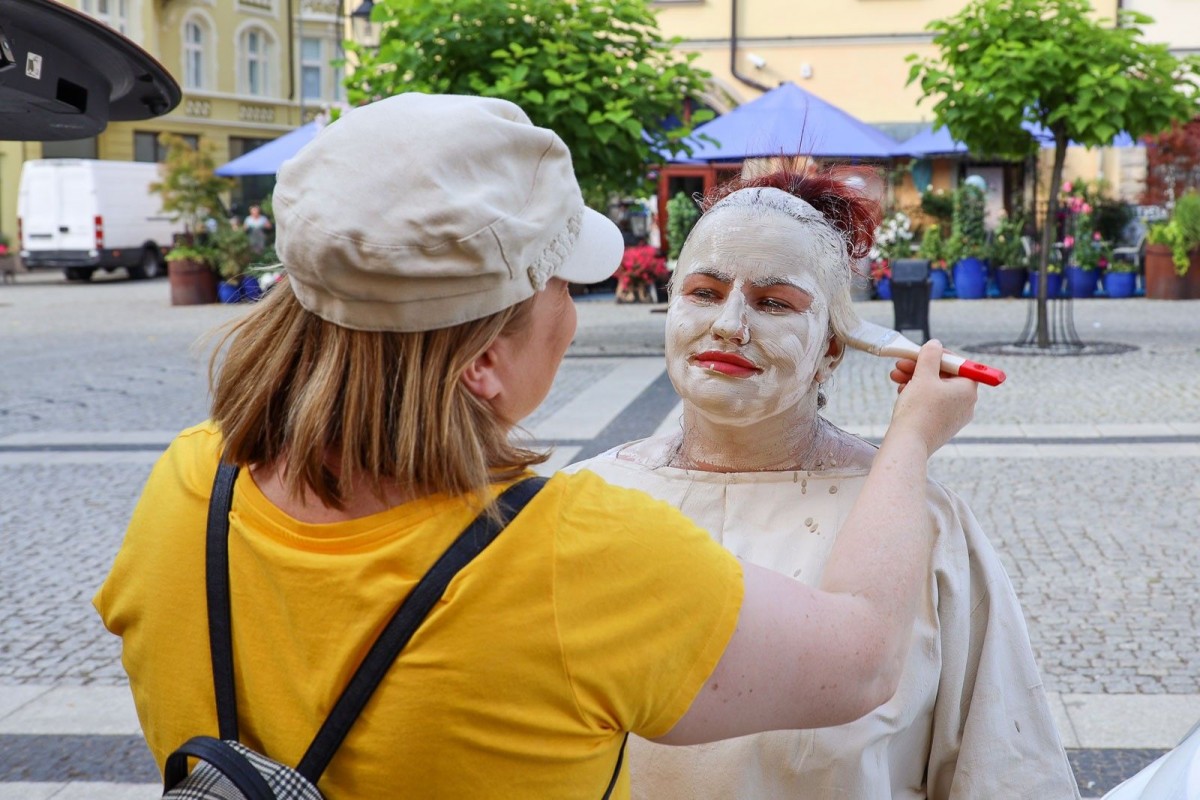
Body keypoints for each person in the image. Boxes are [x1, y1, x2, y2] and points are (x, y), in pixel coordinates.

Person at [93, 94, 976, 798]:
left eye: (775, 302)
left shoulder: (187, 484)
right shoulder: (575, 556)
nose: (572, 314)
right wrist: (912, 440)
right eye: (561, 284)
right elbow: (864, 657)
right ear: (484, 360)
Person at [565, 169, 1080, 799]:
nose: (729, 324)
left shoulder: (917, 522)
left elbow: (1002, 770)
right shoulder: (580, 503)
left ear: (833, 349)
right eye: (704, 291)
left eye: (774, 302)